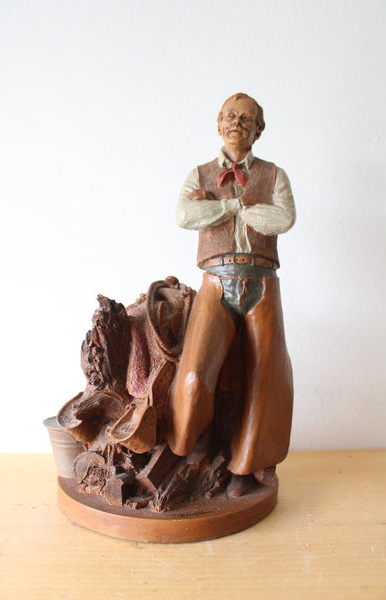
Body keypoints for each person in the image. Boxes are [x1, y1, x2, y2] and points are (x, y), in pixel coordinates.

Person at [166, 93, 295, 497]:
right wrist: (242, 207)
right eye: (231, 116)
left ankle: (246, 465)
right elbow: (185, 215)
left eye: (247, 118)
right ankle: (188, 443)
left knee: (266, 377)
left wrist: (221, 206)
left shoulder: (274, 176)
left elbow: (283, 219)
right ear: (219, 123)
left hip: (262, 283)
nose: (237, 123)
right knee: (194, 372)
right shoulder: (200, 174)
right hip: (216, 282)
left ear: (259, 130)